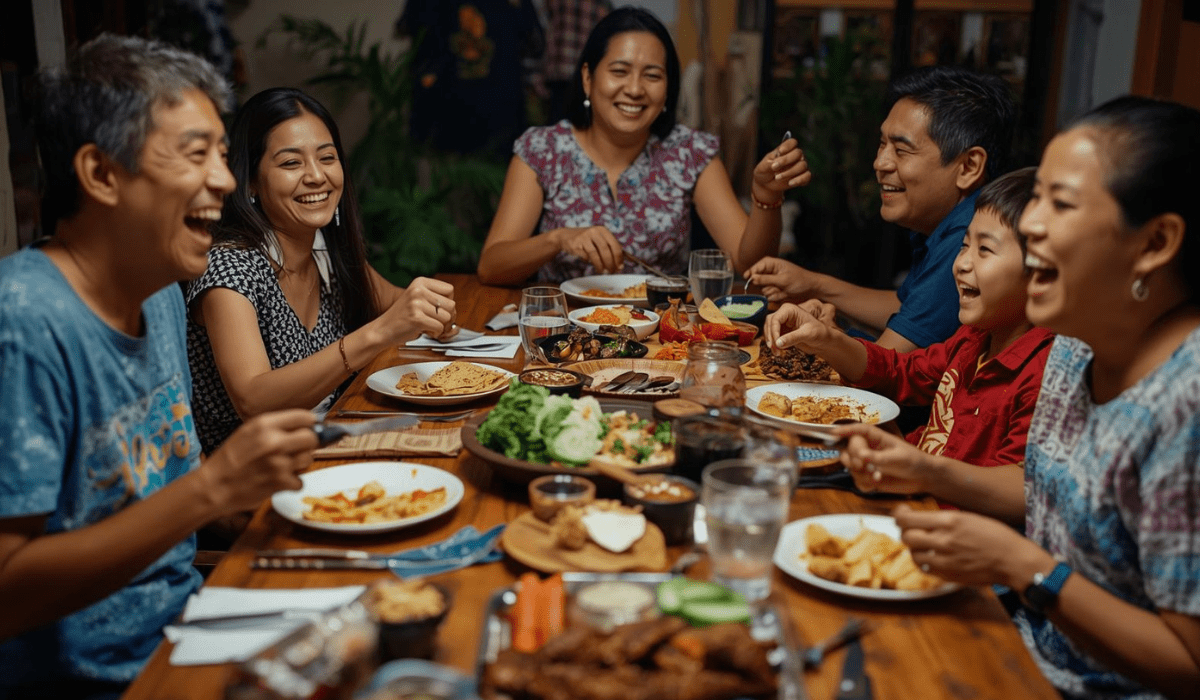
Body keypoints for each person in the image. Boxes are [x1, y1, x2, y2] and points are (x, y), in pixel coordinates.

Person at [0, 35, 318, 698]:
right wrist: (213, 489)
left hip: (191, 628)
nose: (225, 181)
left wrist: (269, 502)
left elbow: (164, 500)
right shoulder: (22, 323)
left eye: (223, 156)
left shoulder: (161, 295)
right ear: (101, 173)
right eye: (197, 154)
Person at [856, 97, 1200, 699]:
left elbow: (1189, 665)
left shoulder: (1186, 403)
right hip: (1012, 637)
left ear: (1155, 242)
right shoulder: (1072, 343)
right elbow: (1041, 487)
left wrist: (1022, 566)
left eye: (1060, 203)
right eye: (1035, 197)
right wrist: (921, 468)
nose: (1032, 223)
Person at [185, 87, 457, 454]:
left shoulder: (322, 249)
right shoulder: (229, 268)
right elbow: (253, 401)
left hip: (334, 443)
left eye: (327, 158)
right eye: (291, 163)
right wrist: (378, 333)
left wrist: (434, 311)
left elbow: (400, 302)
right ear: (251, 182)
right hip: (258, 473)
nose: (316, 176)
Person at [767, 168, 1052, 515]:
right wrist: (825, 339)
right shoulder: (973, 340)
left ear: (1041, 273)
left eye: (985, 249)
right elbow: (899, 373)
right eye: (964, 245)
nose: (962, 263)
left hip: (944, 526)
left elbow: (1024, 489)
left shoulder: (1045, 371)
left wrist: (923, 470)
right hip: (903, 494)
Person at [476, 7, 810, 286]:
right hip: (562, 331)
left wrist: (767, 197)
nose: (635, 89)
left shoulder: (690, 152)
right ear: (588, 78)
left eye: (652, 75)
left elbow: (749, 264)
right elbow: (491, 267)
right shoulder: (542, 150)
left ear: (667, 89)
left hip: (661, 333)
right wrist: (557, 239)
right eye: (619, 71)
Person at [748, 66, 1017, 353]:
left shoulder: (967, 236)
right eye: (882, 144)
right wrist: (813, 284)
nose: (880, 163)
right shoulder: (951, 219)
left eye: (901, 150)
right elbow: (909, 307)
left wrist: (830, 336)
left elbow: (888, 363)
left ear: (969, 166)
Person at [541, 0, 612, 123]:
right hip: (587, 74)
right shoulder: (602, 5)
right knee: (583, 123)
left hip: (559, 70)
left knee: (556, 123)